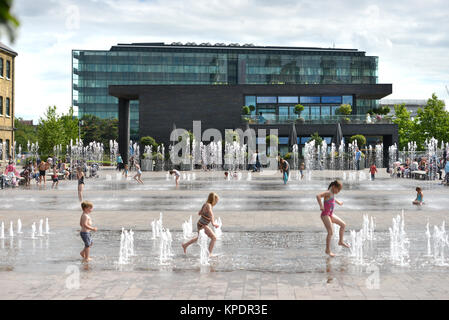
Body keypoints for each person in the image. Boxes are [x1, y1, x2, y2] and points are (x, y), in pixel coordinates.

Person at [316, 180, 350, 257]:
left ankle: (340, 241)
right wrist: (321, 206)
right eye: (338, 190)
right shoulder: (328, 192)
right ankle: (327, 250)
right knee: (330, 232)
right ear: (334, 187)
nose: (338, 192)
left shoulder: (332, 193)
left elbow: (333, 199)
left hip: (330, 214)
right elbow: (318, 196)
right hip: (325, 215)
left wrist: (339, 203)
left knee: (343, 225)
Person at [182, 192, 220, 257]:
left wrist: (203, 212)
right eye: (216, 201)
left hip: (200, 224)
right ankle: (209, 253)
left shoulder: (205, 204)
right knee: (214, 238)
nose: (216, 203)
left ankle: (185, 245)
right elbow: (211, 214)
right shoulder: (209, 206)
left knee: (199, 237)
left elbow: (199, 213)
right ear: (213, 200)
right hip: (203, 225)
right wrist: (213, 223)